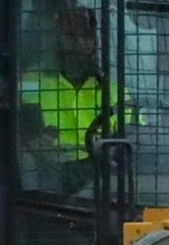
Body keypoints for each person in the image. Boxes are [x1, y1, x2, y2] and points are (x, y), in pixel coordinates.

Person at [19, 6, 134, 194]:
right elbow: (16, 141)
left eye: (86, 37)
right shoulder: (30, 82)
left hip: (101, 184)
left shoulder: (114, 90)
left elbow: (132, 139)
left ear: (95, 42)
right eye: (70, 36)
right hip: (44, 188)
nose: (79, 44)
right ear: (56, 38)